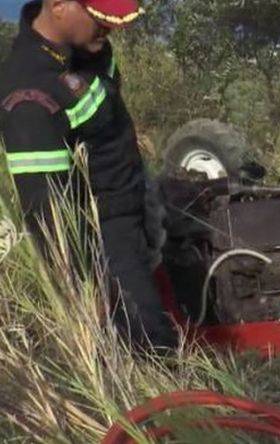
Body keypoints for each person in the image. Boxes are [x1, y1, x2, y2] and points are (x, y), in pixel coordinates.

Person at [0, 0, 177, 351]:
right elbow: (46, 210)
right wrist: (88, 288)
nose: (110, 28)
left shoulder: (88, 46)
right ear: (59, 6)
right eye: (100, 18)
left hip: (137, 202)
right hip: (106, 236)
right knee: (152, 344)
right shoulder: (30, 96)